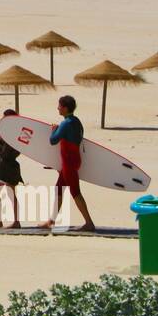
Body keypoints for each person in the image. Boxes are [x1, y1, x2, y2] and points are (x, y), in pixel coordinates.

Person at [40, 95, 96, 231]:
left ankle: (89, 223)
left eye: (59, 105)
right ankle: (51, 221)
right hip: (73, 160)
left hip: (69, 163)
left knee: (75, 192)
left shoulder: (65, 124)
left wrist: (54, 129)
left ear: (65, 108)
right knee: (59, 189)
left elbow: (53, 140)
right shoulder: (76, 121)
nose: (57, 108)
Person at [0, 108, 22, 228]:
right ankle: (16, 222)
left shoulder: (8, 134)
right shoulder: (18, 133)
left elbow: (5, 154)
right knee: (12, 194)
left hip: (4, 166)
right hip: (14, 167)